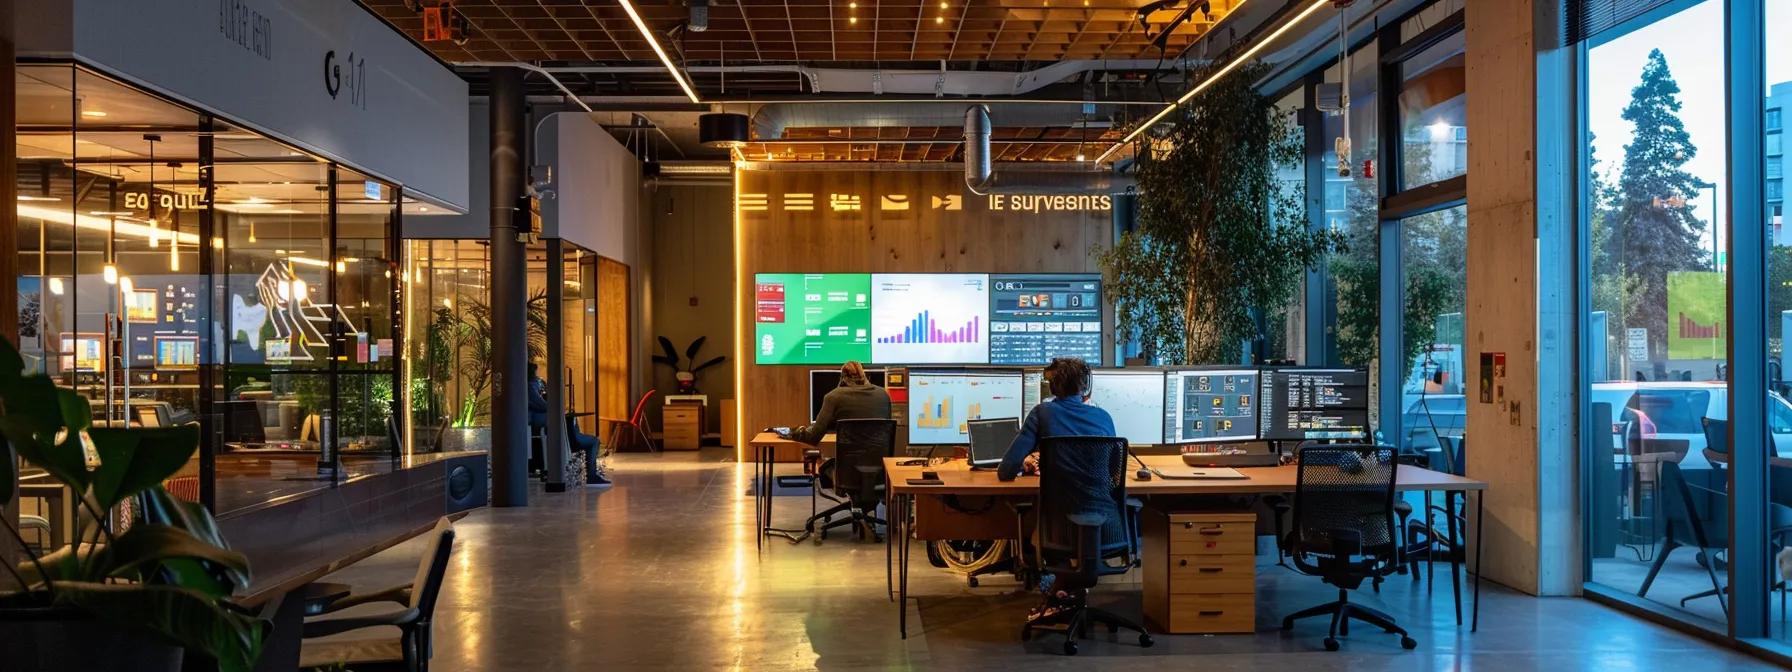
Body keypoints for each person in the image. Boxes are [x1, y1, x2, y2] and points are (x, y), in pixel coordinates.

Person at [995, 356, 1124, 616]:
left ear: (1052, 387)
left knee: (1034, 530)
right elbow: (1114, 473)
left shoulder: (1042, 413)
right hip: (1106, 527)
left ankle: (1058, 592)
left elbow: (1006, 470)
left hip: (1057, 531)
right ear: (1085, 386)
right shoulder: (1104, 418)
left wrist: (1027, 465)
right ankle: (1065, 593)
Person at [788, 361, 890, 445]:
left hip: (847, 461)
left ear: (842, 377)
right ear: (864, 375)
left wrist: (792, 432)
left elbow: (813, 437)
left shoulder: (834, 397)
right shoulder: (883, 395)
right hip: (881, 461)